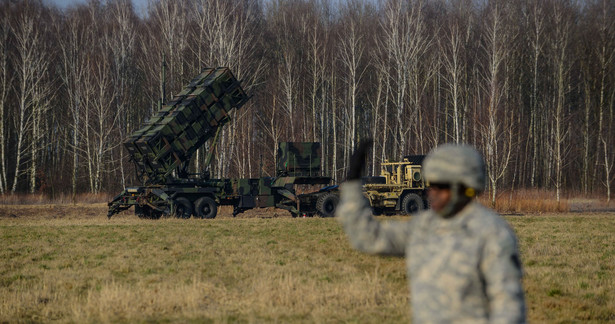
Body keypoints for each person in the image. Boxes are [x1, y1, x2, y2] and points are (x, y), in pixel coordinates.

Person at [336, 141, 526, 323]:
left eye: (441, 186)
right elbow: (369, 238)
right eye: (431, 185)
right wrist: (352, 187)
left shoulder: (491, 233)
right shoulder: (424, 226)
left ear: (464, 187)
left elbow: (508, 306)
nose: (431, 192)